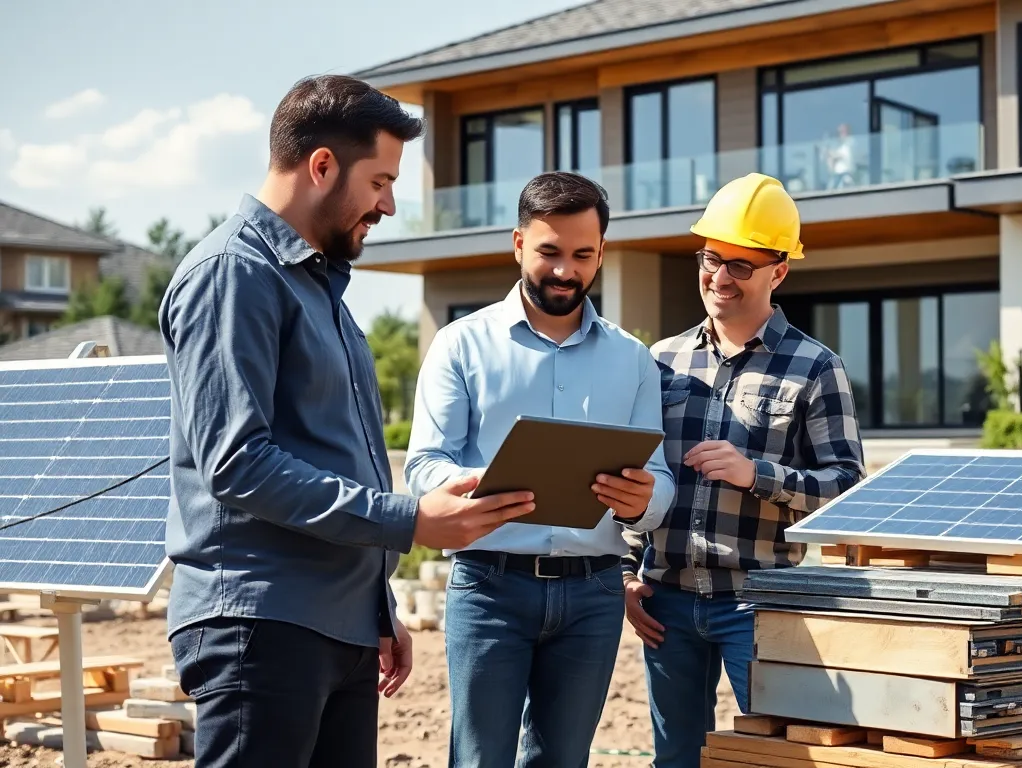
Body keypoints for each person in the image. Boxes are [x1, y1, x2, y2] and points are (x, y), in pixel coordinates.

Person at [158, 74, 537, 768]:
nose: (389, 205)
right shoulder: (232, 274)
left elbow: (327, 452)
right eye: (381, 181)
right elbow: (238, 464)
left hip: (337, 624)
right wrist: (409, 520)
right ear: (322, 166)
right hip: (260, 621)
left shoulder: (320, 285)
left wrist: (374, 601)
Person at [404, 171, 677, 768]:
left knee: (563, 761)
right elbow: (424, 465)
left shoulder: (632, 359)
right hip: (488, 586)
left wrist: (643, 499)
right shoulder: (460, 345)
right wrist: (469, 490)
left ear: (601, 253)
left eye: (582, 255)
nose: (565, 270)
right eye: (549, 252)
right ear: (518, 244)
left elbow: (659, 480)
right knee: (480, 760)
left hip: (594, 592)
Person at [622, 172, 867, 768]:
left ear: (779, 271)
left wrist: (755, 473)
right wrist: (627, 571)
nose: (719, 277)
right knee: (676, 759)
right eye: (711, 259)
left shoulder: (816, 367)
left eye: (741, 265)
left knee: (775, 758)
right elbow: (634, 474)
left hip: (758, 603)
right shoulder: (660, 360)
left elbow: (850, 488)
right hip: (667, 600)